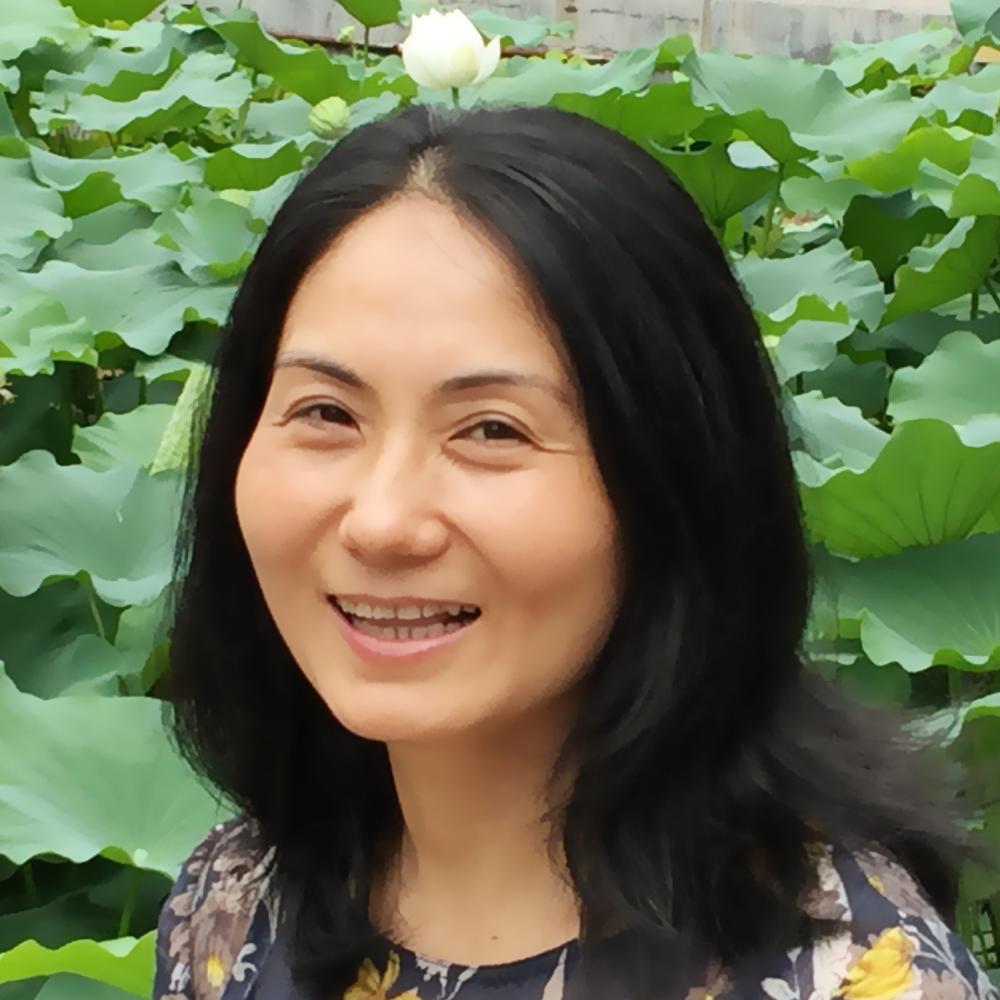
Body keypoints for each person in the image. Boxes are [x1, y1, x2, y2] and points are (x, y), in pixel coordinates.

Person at [153, 103, 997, 1000]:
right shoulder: (234, 906)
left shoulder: (856, 978)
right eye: (326, 412)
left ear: (675, 483)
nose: (381, 522)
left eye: (492, 429)